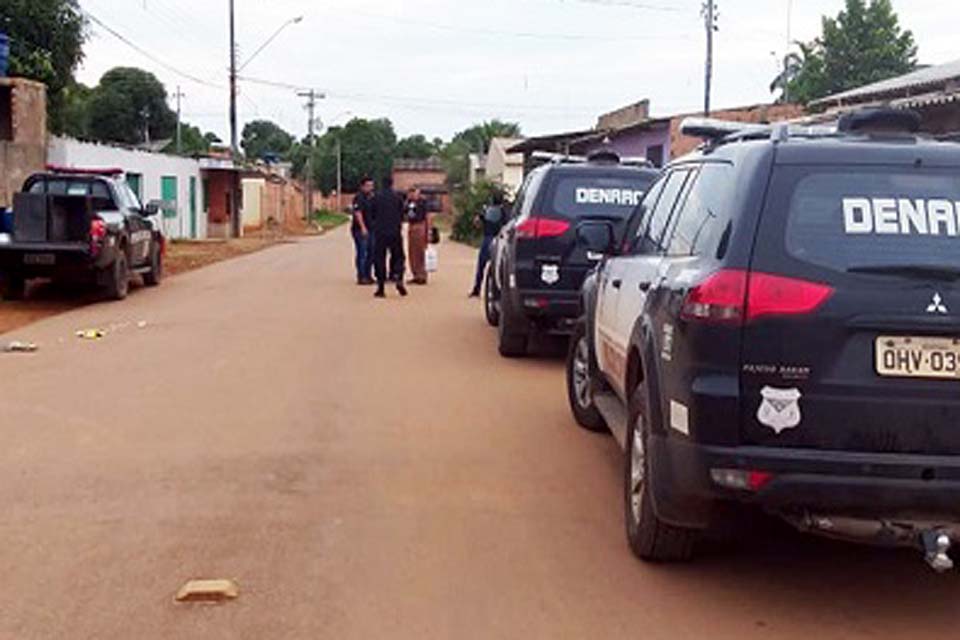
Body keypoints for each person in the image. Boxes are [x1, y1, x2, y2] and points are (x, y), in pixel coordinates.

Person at [371, 176, 408, 298]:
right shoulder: (398, 198)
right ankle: (398, 276)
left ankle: (381, 287)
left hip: (380, 232)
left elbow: (372, 214)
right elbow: (403, 213)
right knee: (398, 256)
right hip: (395, 231)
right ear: (392, 184)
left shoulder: (376, 197)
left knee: (379, 258)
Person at [469, 191, 507, 298]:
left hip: (487, 239)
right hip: (499, 240)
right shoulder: (504, 211)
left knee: (481, 266)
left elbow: (476, 222)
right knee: (498, 267)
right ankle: (498, 293)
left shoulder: (487, 210)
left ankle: (476, 289)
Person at [350, 178, 375, 285]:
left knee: (371, 253)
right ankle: (361, 276)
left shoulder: (372, 197)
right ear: (362, 186)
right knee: (362, 253)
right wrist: (363, 227)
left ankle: (368, 275)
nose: (370, 188)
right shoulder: (359, 198)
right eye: (368, 185)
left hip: (372, 229)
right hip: (360, 230)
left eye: (371, 185)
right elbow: (358, 213)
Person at [404, 187, 430, 285]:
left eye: (413, 193)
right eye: (409, 193)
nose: (411, 195)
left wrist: (428, 231)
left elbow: (427, 216)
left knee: (420, 252)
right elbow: (405, 213)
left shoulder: (422, 202)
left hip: (420, 225)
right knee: (412, 252)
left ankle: (422, 275)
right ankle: (415, 274)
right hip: (411, 226)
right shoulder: (408, 203)